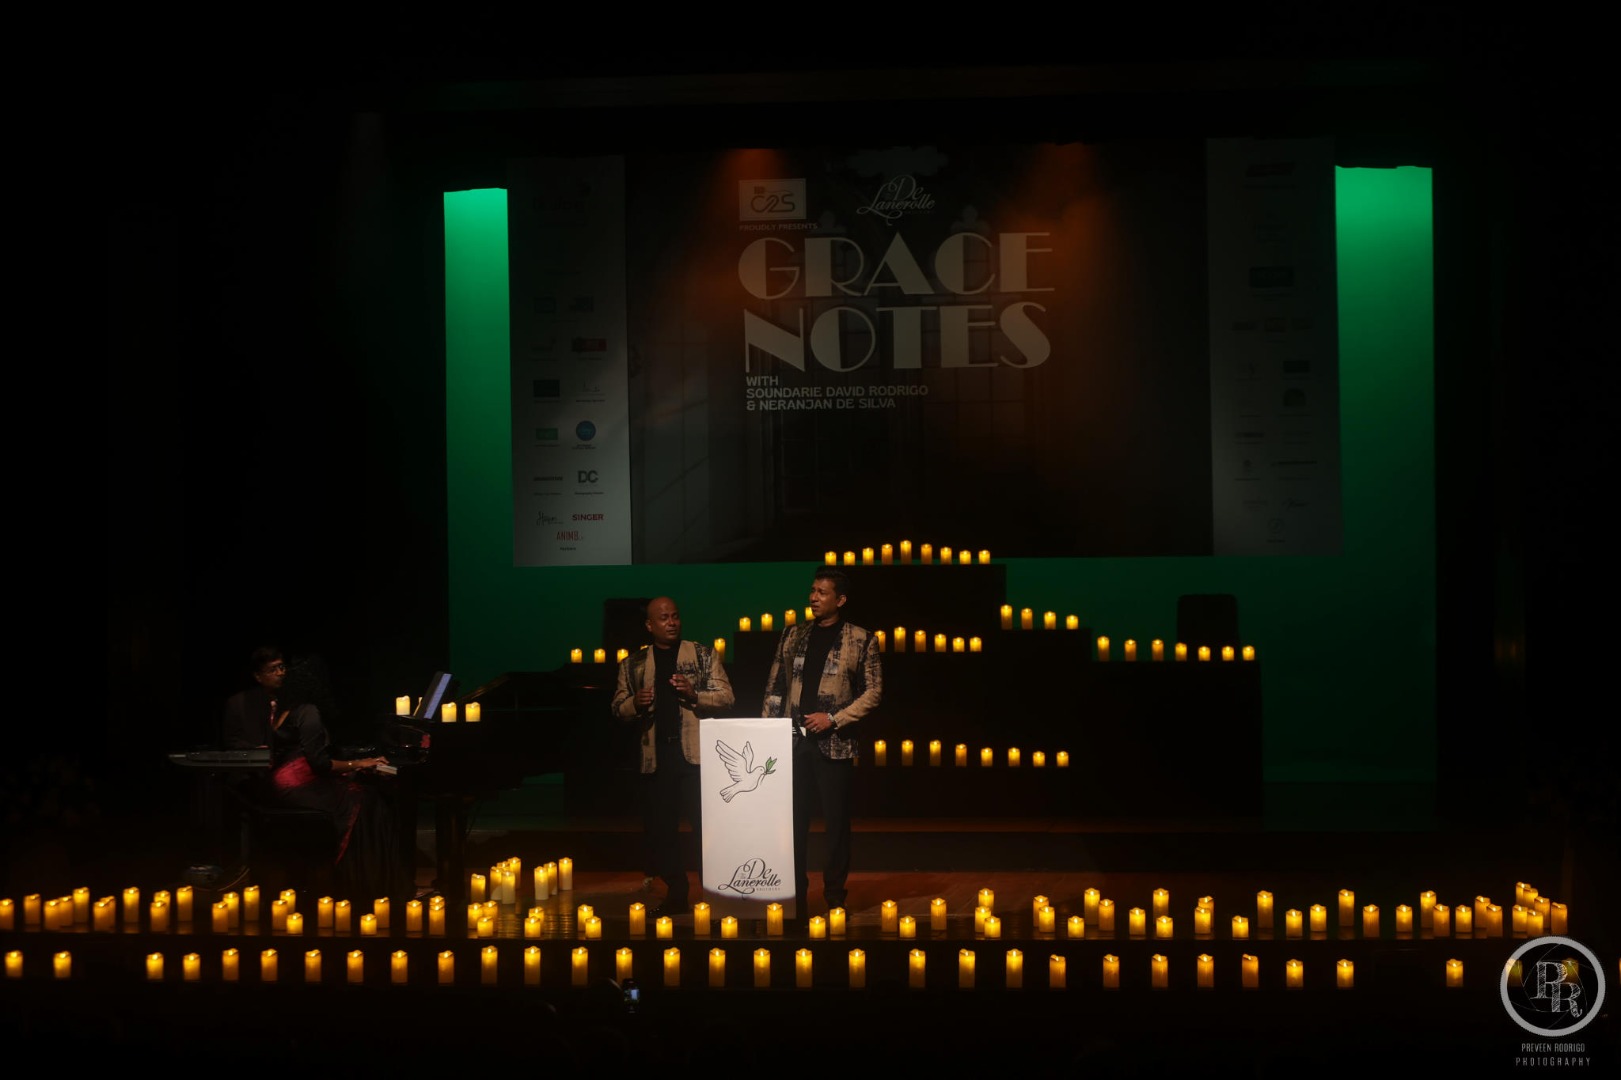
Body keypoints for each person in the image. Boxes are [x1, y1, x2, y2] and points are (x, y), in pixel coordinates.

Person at [761, 568, 882, 913]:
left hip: (834, 744)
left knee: (836, 824)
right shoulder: (793, 634)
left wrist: (834, 718)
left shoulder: (860, 639)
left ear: (840, 600)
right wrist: (768, 733)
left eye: (822, 592)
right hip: (792, 744)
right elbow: (775, 687)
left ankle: (834, 895)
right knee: (792, 823)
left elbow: (873, 692)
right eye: (813, 590)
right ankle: (794, 894)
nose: (813, 597)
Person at [611, 596, 735, 916]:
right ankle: (677, 893)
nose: (672, 623)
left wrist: (695, 694)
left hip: (696, 758)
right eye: (664, 618)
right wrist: (635, 703)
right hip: (656, 757)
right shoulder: (634, 664)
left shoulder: (703, 655)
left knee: (705, 830)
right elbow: (618, 708)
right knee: (662, 830)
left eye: (675, 616)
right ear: (649, 625)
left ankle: (715, 894)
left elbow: (726, 697)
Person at [265, 656, 401, 903]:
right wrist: (359, 763)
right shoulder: (308, 711)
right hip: (299, 785)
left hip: (282, 781)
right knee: (366, 799)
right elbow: (320, 764)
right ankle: (364, 885)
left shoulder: (285, 710)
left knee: (359, 788)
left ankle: (361, 880)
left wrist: (354, 764)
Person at [221, 646, 285, 749]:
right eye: (273, 670)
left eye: (281, 667)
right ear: (258, 676)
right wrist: (254, 749)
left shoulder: (291, 700)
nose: (280, 673)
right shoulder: (238, 703)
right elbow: (231, 741)